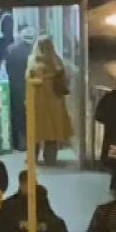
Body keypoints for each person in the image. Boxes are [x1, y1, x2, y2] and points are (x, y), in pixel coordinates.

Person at [27, 35, 73, 165]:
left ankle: (33, 158)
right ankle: (50, 158)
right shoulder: (57, 62)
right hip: (55, 102)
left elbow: (28, 80)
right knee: (53, 131)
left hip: (38, 103)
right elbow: (66, 79)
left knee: (35, 132)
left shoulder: (33, 63)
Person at [4, 26, 36, 151]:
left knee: (17, 115)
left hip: (15, 87)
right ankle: (29, 142)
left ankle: (19, 143)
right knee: (29, 115)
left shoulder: (11, 50)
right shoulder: (34, 52)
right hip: (30, 87)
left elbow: (7, 68)